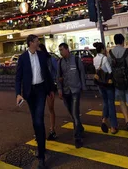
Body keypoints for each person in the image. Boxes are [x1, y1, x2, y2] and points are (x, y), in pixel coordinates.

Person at [15, 35, 54, 169]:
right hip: (29, 92)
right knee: (35, 121)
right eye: (37, 41)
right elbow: (18, 77)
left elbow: (47, 73)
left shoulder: (42, 55)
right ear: (31, 43)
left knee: (38, 120)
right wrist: (18, 94)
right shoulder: (23, 58)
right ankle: (41, 145)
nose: (38, 43)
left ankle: (41, 156)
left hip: (41, 90)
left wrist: (51, 89)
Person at [57, 43, 87, 148]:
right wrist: (59, 89)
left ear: (67, 49)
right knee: (72, 113)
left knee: (75, 114)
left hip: (75, 90)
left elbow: (82, 73)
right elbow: (58, 77)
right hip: (66, 91)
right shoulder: (60, 62)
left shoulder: (76, 60)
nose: (60, 52)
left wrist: (83, 87)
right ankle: (80, 128)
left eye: (61, 50)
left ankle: (77, 137)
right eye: (59, 50)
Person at [93, 42, 118, 134]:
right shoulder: (105, 58)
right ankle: (113, 127)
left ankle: (103, 120)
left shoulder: (94, 59)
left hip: (100, 84)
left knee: (105, 102)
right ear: (103, 49)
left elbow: (97, 70)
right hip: (107, 84)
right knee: (111, 103)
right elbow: (110, 71)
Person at [38, 44, 58, 141]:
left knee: (50, 108)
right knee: (40, 109)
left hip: (50, 86)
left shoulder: (50, 59)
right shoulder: (36, 60)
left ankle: (52, 130)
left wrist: (55, 82)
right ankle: (40, 132)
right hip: (40, 86)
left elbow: (58, 71)